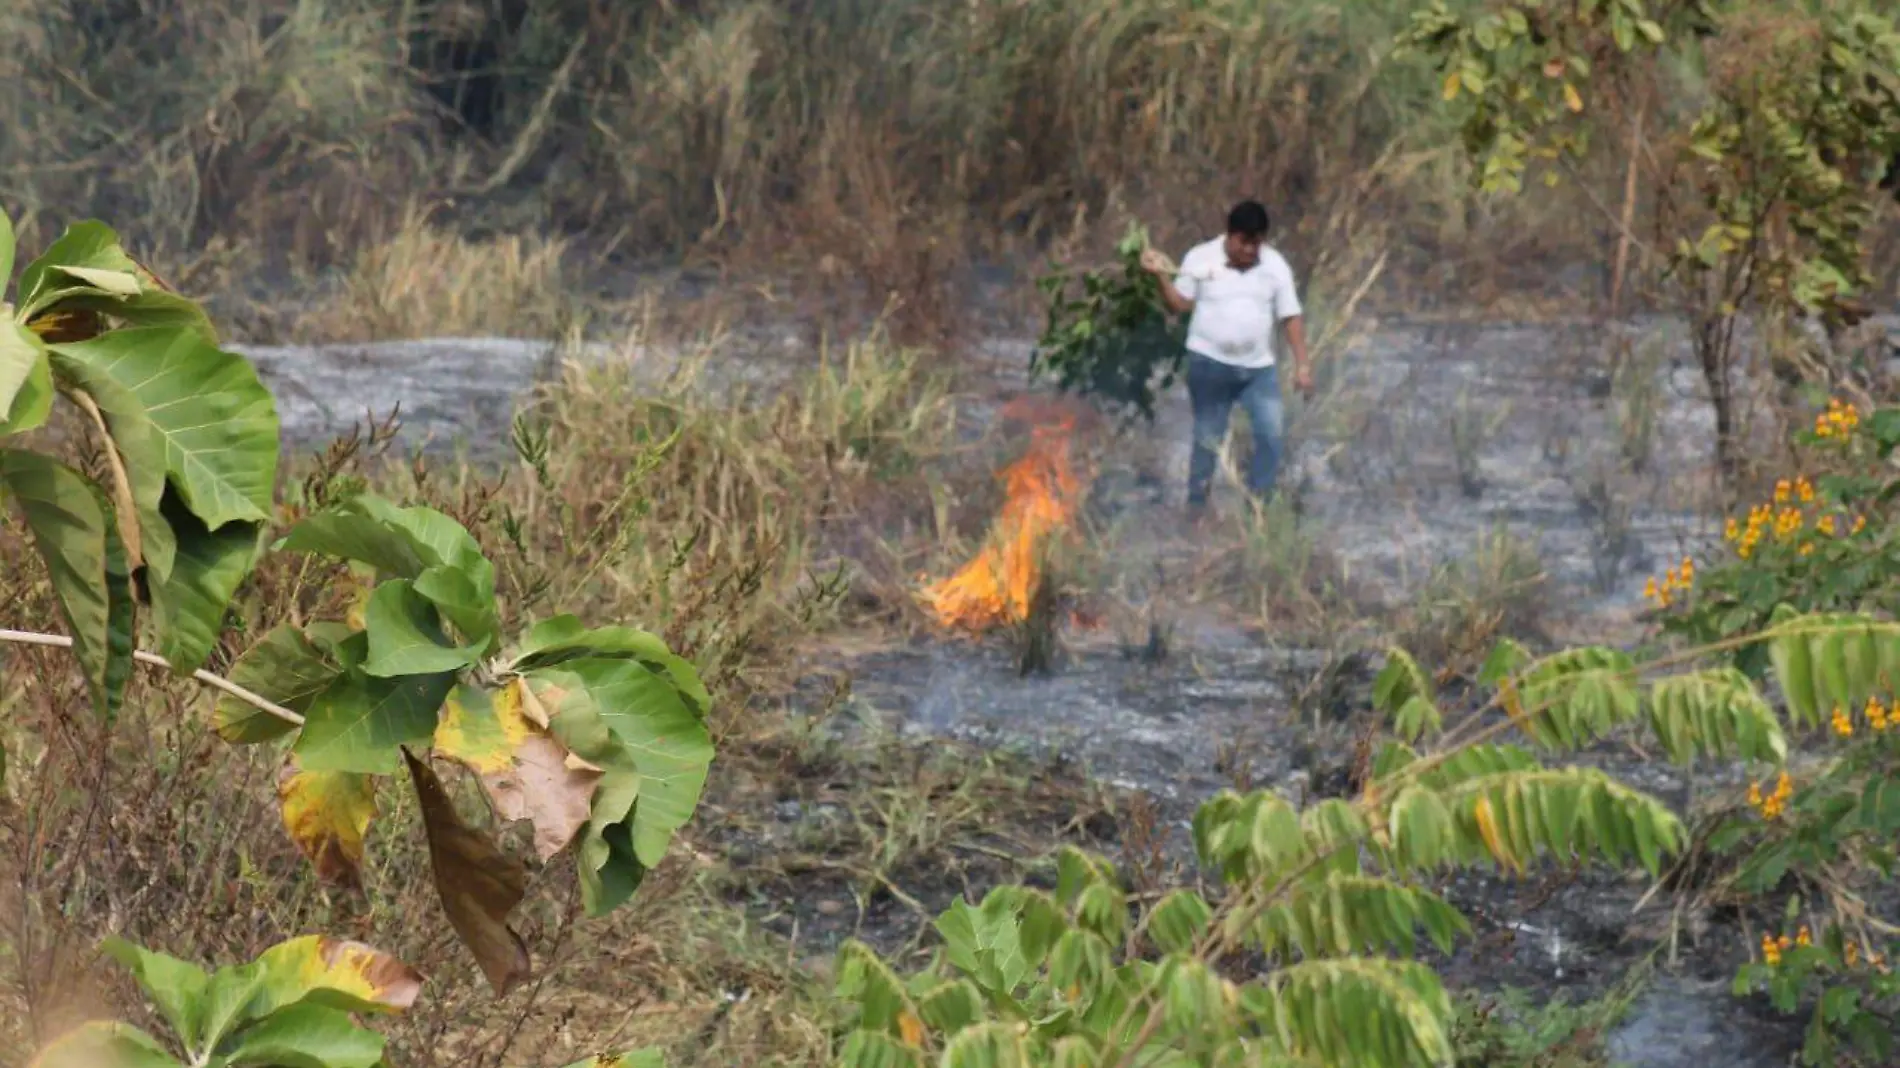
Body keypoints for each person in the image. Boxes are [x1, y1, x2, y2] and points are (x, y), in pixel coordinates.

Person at [1140, 200, 1311, 515]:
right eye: (1244, 242)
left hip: (1259, 370)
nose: (1250, 250)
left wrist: (1303, 365)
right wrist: (1159, 275)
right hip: (1209, 364)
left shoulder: (1275, 266)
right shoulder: (1200, 258)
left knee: (1271, 434)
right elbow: (1179, 304)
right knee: (1208, 438)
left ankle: (1258, 506)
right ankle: (1196, 507)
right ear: (1229, 236)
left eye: (1257, 243)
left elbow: (1291, 316)